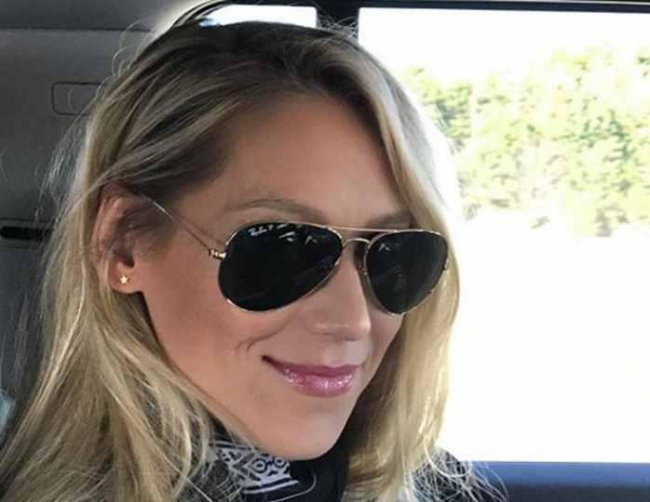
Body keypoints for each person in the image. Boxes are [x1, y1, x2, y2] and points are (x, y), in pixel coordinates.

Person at [0, 19, 505, 502]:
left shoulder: (423, 484)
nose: (354, 320)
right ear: (124, 243)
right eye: (282, 249)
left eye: (396, 255)